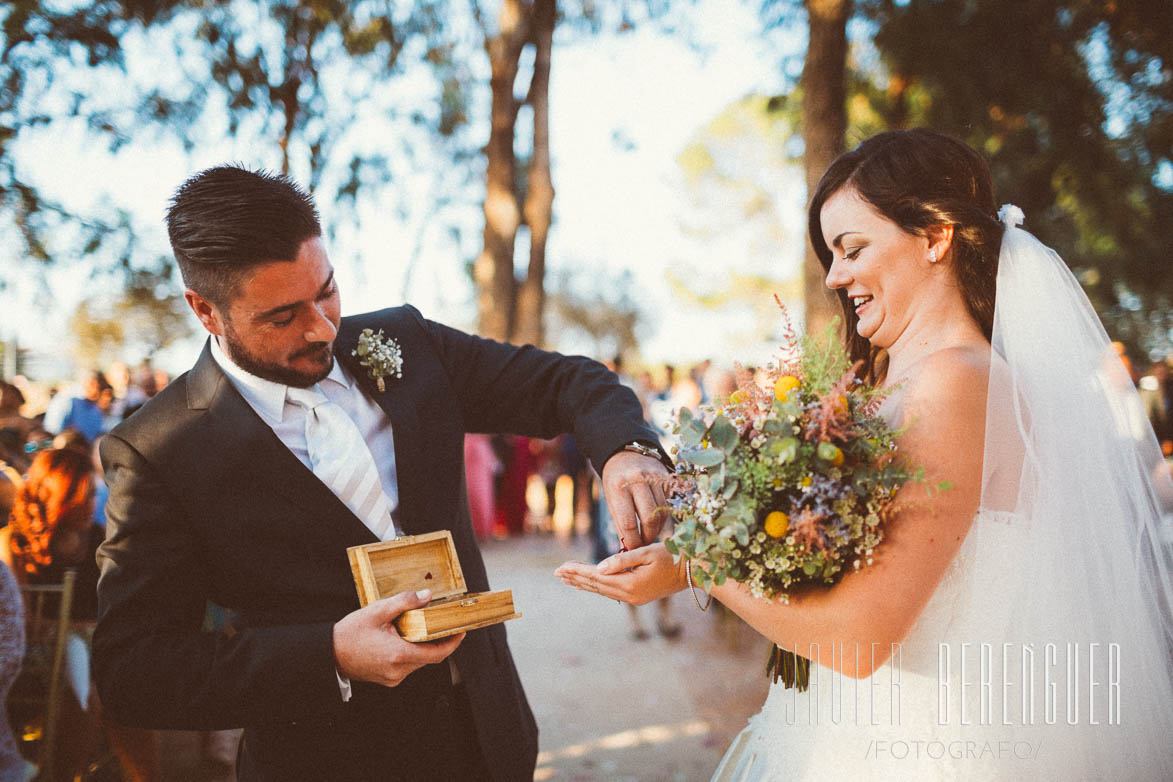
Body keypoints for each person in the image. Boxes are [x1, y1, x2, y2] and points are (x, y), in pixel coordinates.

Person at [557, 129, 1173, 780]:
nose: (834, 276)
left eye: (852, 248)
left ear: (935, 237)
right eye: (830, 254)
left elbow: (860, 639)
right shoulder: (887, 385)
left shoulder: (958, 381)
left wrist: (698, 571)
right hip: (847, 728)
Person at [92, 165, 671, 782]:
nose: (322, 328)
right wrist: (330, 655)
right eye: (283, 317)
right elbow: (135, 671)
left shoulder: (405, 342)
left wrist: (626, 450)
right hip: (325, 762)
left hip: (489, 736)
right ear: (206, 311)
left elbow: (567, 381)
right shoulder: (159, 448)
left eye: (327, 291)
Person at [5, 448, 162, 781]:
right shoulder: (13, 542)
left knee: (125, 696)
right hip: (37, 656)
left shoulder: (99, 538)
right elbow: (22, 623)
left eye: (93, 492)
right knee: (88, 692)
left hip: (96, 647)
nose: (93, 502)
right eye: (85, 494)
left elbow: (122, 602)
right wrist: (82, 630)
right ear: (60, 495)